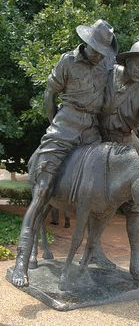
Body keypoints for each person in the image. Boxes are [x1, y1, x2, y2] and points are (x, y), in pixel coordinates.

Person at [12, 19, 117, 287]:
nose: (98, 56)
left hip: (92, 130)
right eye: (95, 50)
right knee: (42, 190)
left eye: (102, 52)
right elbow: (50, 94)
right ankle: (21, 262)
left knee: (103, 187)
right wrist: (54, 125)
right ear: (86, 44)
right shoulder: (67, 61)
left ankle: (94, 251)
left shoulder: (105, 65)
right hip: (65, 124)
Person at [86, 40, 139, 280]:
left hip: (126, 148)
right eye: (138, 66)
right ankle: (93, 249)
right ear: (128, 61)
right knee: (90, 196)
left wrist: (138, 149)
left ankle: (136, 262)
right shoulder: (107, 74)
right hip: (94, 141)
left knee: (134, 206)